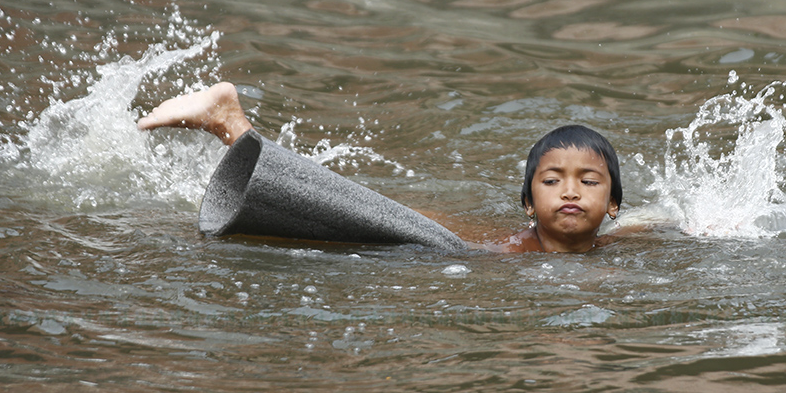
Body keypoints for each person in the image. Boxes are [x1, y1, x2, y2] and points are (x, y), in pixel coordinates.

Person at [137, 82, 622, 253]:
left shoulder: (615, 237)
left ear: (613, 204)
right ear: (528, 205)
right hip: (460, 244)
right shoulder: (517, 251)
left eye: (589, 182)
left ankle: (231, 124)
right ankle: (230, 124)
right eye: (552, 180)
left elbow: (646, 227)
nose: (570, 192)